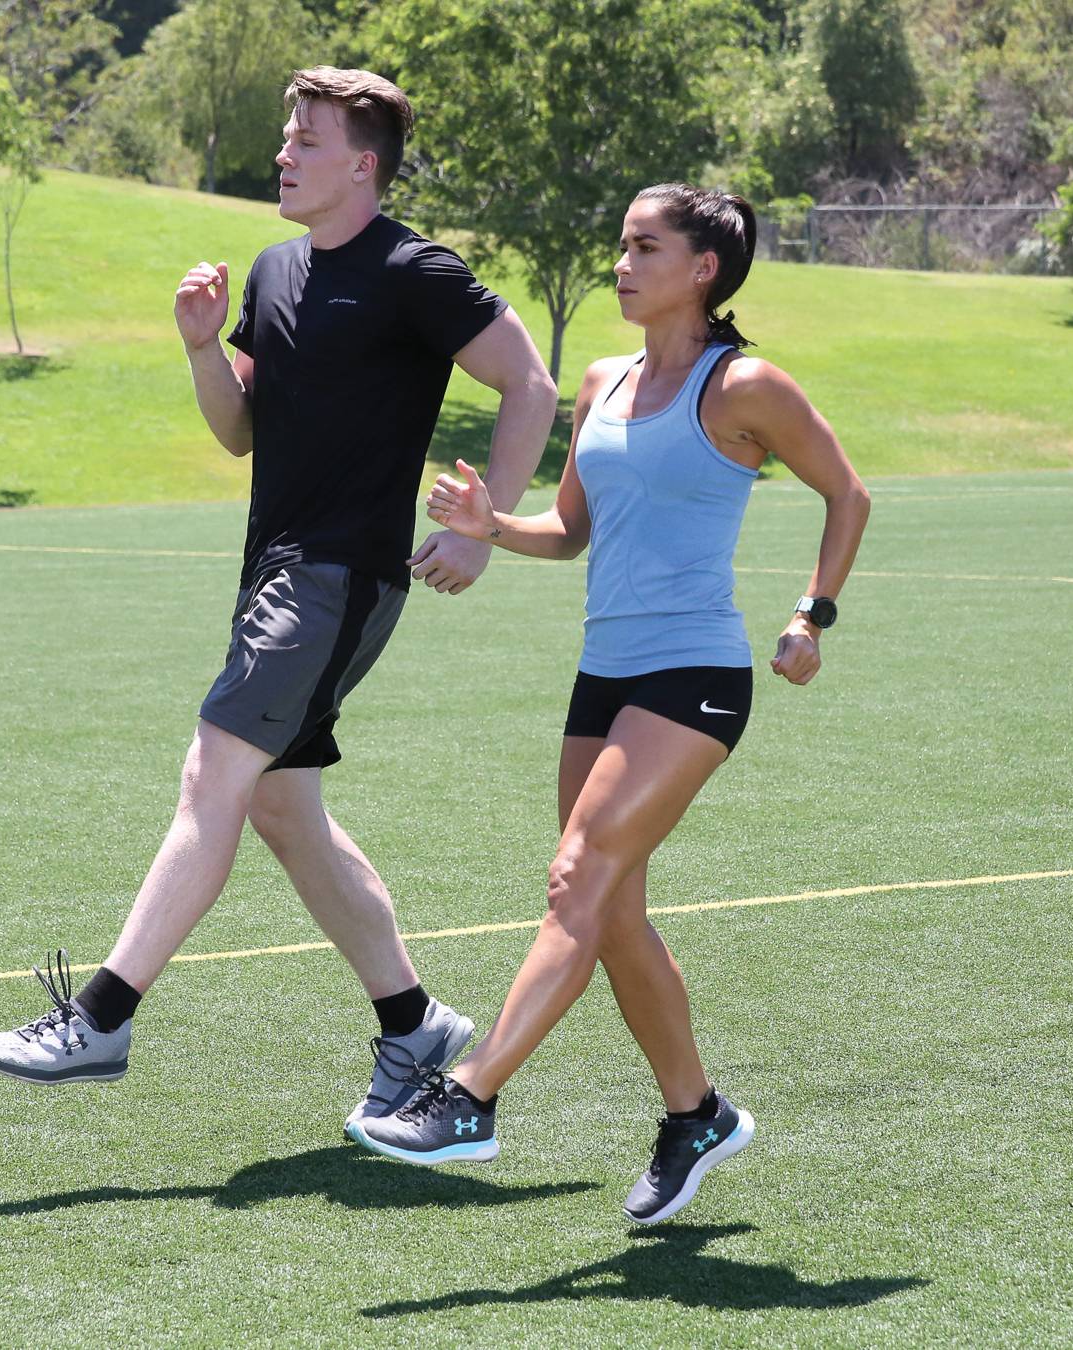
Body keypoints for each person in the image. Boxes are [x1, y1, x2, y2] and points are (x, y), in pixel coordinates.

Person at [0, 68, 560, 1137]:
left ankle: (102, 1017)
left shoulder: (414, 270)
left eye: (309, 140)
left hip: (338, 577)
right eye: (287, 136)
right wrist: (201, 347)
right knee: (283, 808)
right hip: (275, 575)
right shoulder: (278, 271)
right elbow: (241, 430)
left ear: (364, 164)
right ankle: (414, 1022)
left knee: (214, 773)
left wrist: (489, 524)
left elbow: (529, 382)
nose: (283, 152)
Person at [350, 184, 871, 1227]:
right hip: (606, 676)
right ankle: (698, 1114)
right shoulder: (604, 380)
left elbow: (847, 493)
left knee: (577, 878)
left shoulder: (746, 386)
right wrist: (493, 523)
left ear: (703, 268)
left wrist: (813, 616)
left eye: (645, 247)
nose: (621, 264)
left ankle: (470, 1096)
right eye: (619, 243)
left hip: (697, 678)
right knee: (613, 912)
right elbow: (570, 533)